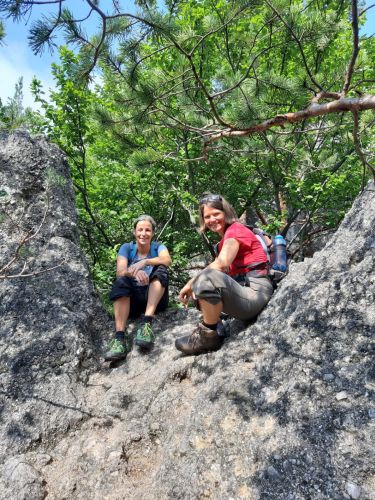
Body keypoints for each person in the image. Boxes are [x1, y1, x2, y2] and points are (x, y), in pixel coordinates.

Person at [175, 194, 273, 355]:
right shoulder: (223, 241)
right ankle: (218, 327)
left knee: (205, 280)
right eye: (207, 216)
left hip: (256, 291)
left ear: (225, 213)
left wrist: (190, 283)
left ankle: (208, 337)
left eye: (216, 214)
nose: (212, 219)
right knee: (200, 292)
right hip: (244, 291)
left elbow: (221, 264)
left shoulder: (236, 231)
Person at [104, 214, 172, 361]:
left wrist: (146, 262)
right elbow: (120, 271)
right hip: (133, 302)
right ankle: (120, 339)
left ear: (153, 233)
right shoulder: (127, 248)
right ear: (134, 232)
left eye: (147, 230)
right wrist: (134, 272)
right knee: (121, 280)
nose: (143, 233)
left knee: (161, 270)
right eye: (140, 230)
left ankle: (147, 323)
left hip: (154, 300)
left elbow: (167, 260)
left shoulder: (158, 247)